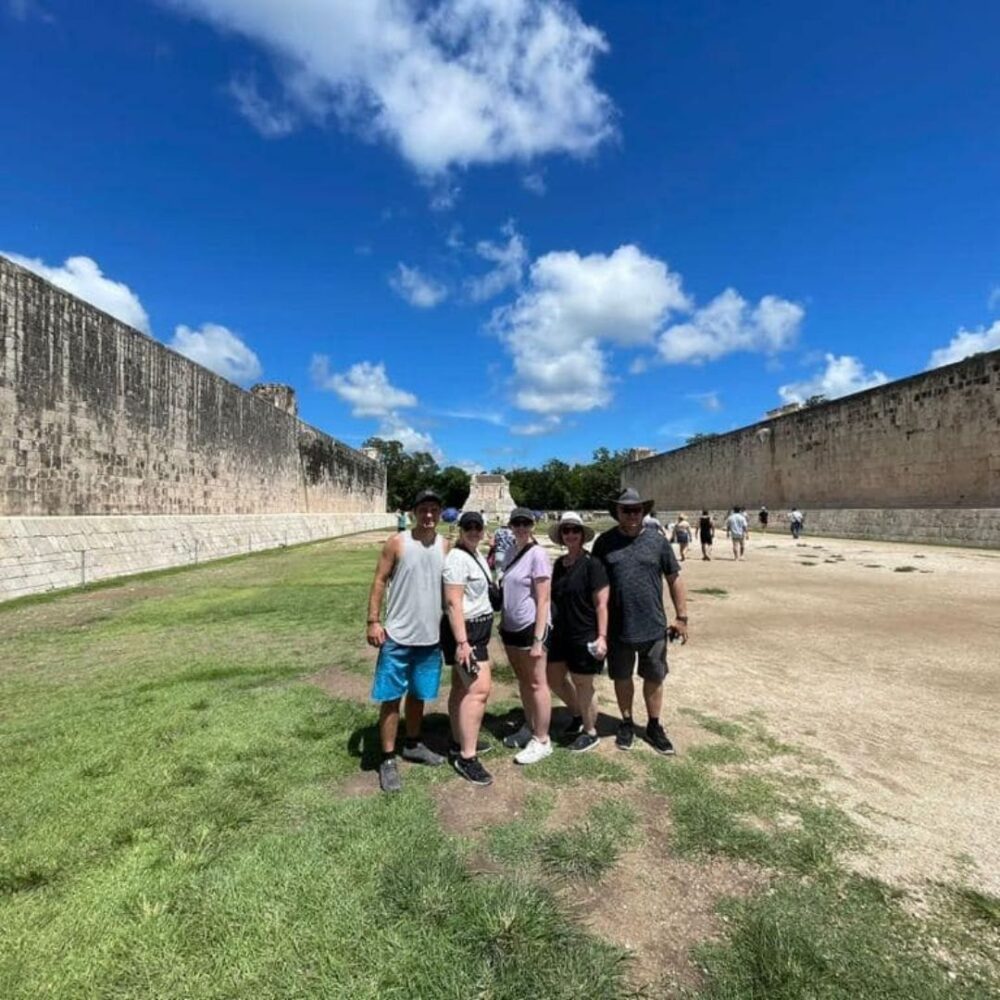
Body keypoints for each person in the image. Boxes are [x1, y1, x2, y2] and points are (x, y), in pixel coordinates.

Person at [592, 488, 688, 755]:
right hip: (618, 626)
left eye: (637, 510)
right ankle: (625, 721)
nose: (633, 514)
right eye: (627, 510)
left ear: (643, 512)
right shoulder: (604, 543)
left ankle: (654, 724)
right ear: (618, 513)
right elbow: (595, 584)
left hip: (653, 625)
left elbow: (674, 578)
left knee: (654, 677)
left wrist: (682, 617)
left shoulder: (658, 542)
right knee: (622, 677)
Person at [366, 489, 448, 793]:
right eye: (423, 509)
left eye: (434, 510)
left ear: (440, 514)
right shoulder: (397, 542)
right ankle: (387, 758)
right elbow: (379, 580)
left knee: (418, 694)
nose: (428, 515)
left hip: (430, 637)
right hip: (398, 635)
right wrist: (374, 621)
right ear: (414, 512)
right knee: (390, 696)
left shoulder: (445, 546)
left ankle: (413, 742)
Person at [546, 512, 609, 752]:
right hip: (561, 632)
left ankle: (590, 730)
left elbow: (601, 604)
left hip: (584, 632)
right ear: (561, 536)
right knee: (554, 678)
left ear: (582, 535)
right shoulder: (559, 565)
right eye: (566, 530)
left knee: (583, 683)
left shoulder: (593, 565)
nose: (570, 534)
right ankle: (577, 714)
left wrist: (602, 637)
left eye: (575, 530)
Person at [442, 511, 495, 786]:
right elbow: (453, 603)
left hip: (477, 630)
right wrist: (463, 643)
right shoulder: (456, 559)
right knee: (479, 690)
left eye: (478, 526)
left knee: (462, 688)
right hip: (467, 632)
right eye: (469, 527)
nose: (474, 531)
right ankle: (467, 756)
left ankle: (457, 740)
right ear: (460, 529)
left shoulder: (474, 554)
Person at [499, 507, 554, 765]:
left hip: (530, 627)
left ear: (532, 525)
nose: (521, 528)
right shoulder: (510, 552)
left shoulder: (538, 554)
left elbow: (543, 599)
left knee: (537, 683)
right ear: (510, 526)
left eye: (525, 523)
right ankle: (530, 726)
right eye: (516, 523)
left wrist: (538, 638)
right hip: (510, 627)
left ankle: (542, 739)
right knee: (523, 681)